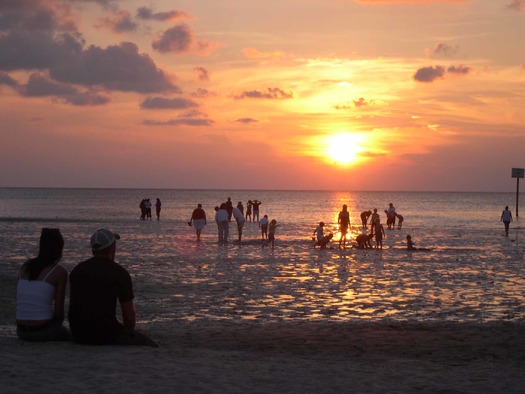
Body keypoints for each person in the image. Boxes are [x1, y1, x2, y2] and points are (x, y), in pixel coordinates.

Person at [68, 229, 157, 346]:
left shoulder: (77, 270)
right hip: (106, 334)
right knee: (151, 345)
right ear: (112, 247)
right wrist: (128, 333)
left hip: (78, 334)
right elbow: (129, 316)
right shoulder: (119, 273)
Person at [16, 228, 71, 341]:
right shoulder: (59, 272)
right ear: (59, 248)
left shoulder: (25, 267)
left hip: (21, 331)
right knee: (70, 336)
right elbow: (58, 313)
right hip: (43, 331)